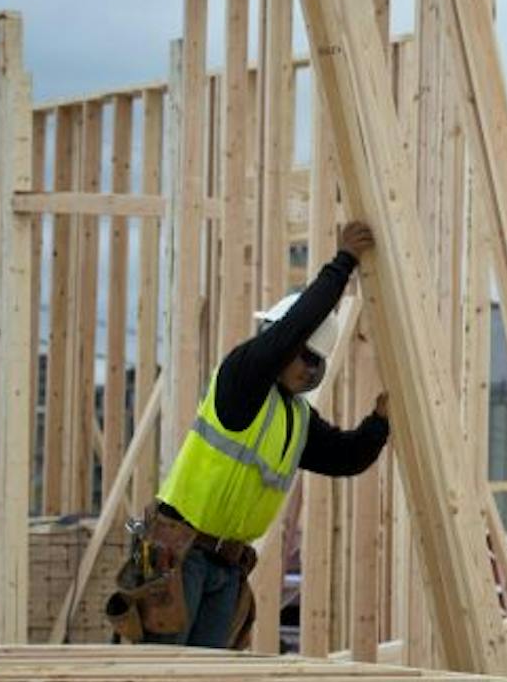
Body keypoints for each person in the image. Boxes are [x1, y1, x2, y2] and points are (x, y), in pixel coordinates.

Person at [108, 222, 392, 648]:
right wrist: (343, 263)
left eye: (318, 364)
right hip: (179, 553)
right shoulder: (243, 379)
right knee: (159, 677)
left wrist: (379, 424)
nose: (312, 371)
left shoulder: (294, 418)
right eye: (305, 358)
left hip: (227, 565)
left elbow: (345, 457)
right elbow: (291, 332)